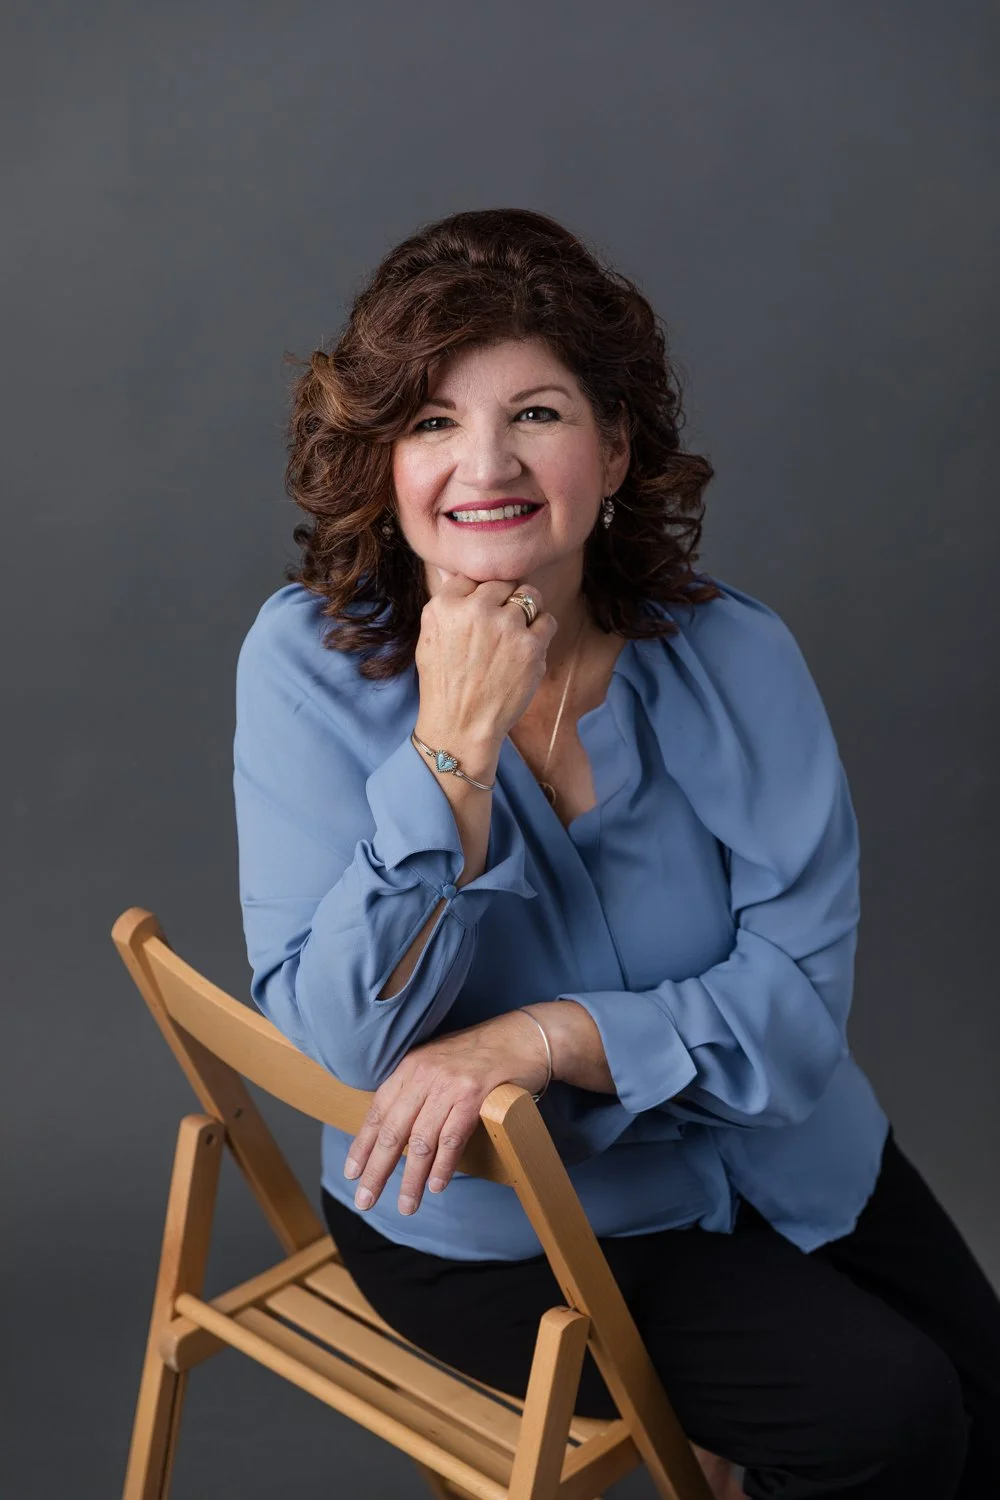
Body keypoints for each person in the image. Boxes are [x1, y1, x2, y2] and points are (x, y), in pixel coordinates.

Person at [232, 207, 1000, 1499]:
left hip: (793, 1153)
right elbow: (350, 1048)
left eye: (535, 412)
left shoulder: (735, 657)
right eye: (431, 422)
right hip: (503, 1231)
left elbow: (799, 1018)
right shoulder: (303, 666)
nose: (486, 463)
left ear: (616, 443)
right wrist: (451, 752)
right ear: (382, 462)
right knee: (891, 1423)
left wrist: (545, 1037)